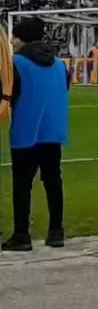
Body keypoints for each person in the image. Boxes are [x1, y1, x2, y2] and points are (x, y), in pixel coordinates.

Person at [2, 18, 70, 251]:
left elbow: (7, 94)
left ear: (24, 38)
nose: (11, 40)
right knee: (53, 182)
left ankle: (22, 235)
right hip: (53, 131)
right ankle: (56, 232)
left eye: (15, 36)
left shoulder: (15, 64)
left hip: (25, 131)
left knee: (22, 186)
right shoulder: (60, 64)